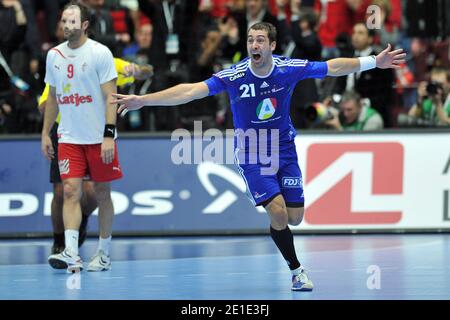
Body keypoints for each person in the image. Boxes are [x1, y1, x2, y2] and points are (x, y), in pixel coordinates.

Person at [112, 22, 405, 291]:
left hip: (285, 148)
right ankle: (297, 271)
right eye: (251, 40)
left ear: (272, 46)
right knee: (277, 212)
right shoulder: (235, 75)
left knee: (295, 217)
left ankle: (279, 220)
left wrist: (373, 62)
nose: (254, 45)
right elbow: (190, 91)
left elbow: (331, 67)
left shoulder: (288, 68)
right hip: (252, 150)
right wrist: (143, 101)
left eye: (260, 40)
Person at [38, 57, 152, 255]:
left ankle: (80, 220)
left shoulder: (105, 61)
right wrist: (49, 127)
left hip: (96, 133)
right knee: (62, 191)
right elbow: (45, 103)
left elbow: (147, 71)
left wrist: (137, 70)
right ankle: (59, 241)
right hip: (66, 132)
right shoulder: (62, 64)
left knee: (93, 194)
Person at [41, 0, 122, 273]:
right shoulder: (54, 55)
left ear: (85, 25)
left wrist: (109, 135)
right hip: (69, 138)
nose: (67, 25)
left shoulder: (100, 53)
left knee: (101, 194)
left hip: (99, 138)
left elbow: (111, 97)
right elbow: (52, 97)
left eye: (72, 21)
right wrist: (45, 133)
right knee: (70, 191)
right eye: (64, 20)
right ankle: (71, 252)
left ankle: (103, 253)